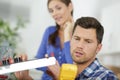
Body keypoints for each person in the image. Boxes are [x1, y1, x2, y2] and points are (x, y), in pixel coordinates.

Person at [15, 0, 74, 80]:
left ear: (70, 6)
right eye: (51, 11)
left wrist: (67, 35)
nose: (54, 14)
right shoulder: (49, 31)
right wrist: (25, 61)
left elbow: (73, 67)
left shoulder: (79, 35)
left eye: (58, 8)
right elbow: (39, 59)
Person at [46, 17, 118, 80]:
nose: (79, 45)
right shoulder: (69, 75)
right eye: (77, 39)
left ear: (98, 48)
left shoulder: (106, 76)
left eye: (88, 41)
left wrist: (60, 78)